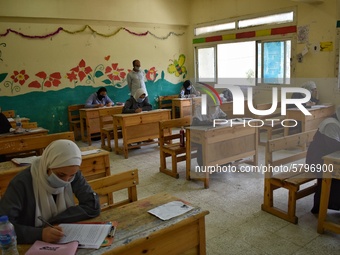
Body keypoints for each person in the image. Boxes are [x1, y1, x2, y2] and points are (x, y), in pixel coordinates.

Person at [0, 139, 100, 244]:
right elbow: (3, 226)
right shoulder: (21, 183)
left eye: (71, 176)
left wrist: (55, 221)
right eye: (60, 175)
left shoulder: (72, 173)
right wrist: (40, 233)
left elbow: (92, 205)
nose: (65, 181)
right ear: (47, 165)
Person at [306, 105, 340, 214]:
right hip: (316, 161)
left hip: (326, 159)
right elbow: (334, 150)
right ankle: (324, 204)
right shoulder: (331, 124)